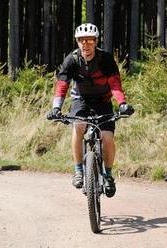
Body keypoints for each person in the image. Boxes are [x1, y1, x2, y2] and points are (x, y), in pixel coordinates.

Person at [47, 23, 134, 197]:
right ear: (77, 42)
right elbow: (62, 86)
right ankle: (79, 170)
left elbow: (115, 84)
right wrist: (56, 107)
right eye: (81, 40)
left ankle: (108, 175)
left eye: (89, 40)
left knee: (107, 137)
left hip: (103, 101)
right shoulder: (71, 60)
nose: (85, 44)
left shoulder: (106, 59)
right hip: (81, 101)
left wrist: (122, 103)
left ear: (95, 42)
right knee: (78, 127)